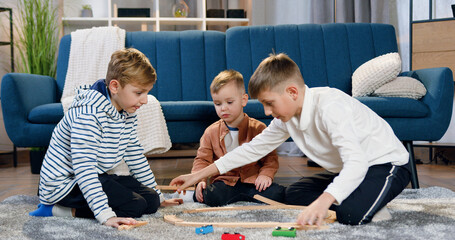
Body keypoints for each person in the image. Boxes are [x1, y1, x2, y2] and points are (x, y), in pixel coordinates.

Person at [170, 53, 411, 226]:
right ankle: (359, 194)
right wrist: (197, 175)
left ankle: (366, 201)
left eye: (269, 103)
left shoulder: (331, 107)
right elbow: (252, 149)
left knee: (350, 215)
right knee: (293, 195)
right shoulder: (287, 117)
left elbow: (357, 162)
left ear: (292, 92)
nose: (265, 112)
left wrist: (324, 201)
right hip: (351, 169)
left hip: (386, 165)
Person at [29, 48, 182, 228]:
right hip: (64, 184)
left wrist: (159, 194)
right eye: (139, 93)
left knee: (151, 201)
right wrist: (105, 215)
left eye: (147, 93)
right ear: (115, 86)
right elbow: (84, 169)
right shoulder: (88, 115)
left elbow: (135, 155)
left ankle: (148, 198)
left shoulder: (126, 112)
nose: (145, 100)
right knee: (135, 206)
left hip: (93, 175)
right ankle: (56, 209)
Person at [191, 70, 285, 206]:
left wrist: (266, 175)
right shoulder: (210, 132)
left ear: (243, 100)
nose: (223, 108)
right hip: (225, 182)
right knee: (208, 195)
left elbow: (270, 159)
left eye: (229, 102)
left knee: (277, 194)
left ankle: (243, 197)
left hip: (253, 182)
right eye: (218, 104)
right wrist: (200, 180)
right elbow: (202, 160)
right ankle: (237, 198)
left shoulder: (258, 128)